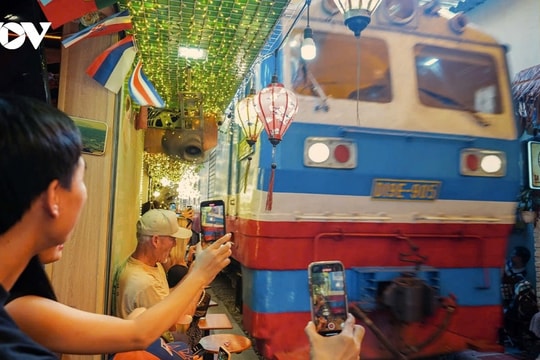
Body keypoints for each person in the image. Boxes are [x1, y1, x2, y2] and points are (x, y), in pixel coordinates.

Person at [0, 93, 232, 358]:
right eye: (80, 178)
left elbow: (137, 331)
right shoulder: (19, 310)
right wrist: (201, 273)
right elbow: (139, 333)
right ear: (54, 197)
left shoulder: (19, 303)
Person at [114, 208, 201, 343]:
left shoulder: (152, 265)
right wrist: (200, 279)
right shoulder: (144, 283)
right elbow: (175, 325)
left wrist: (192, 274)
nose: (175, 244)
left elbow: (167, 297)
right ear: (156, 240)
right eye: (172, 239)